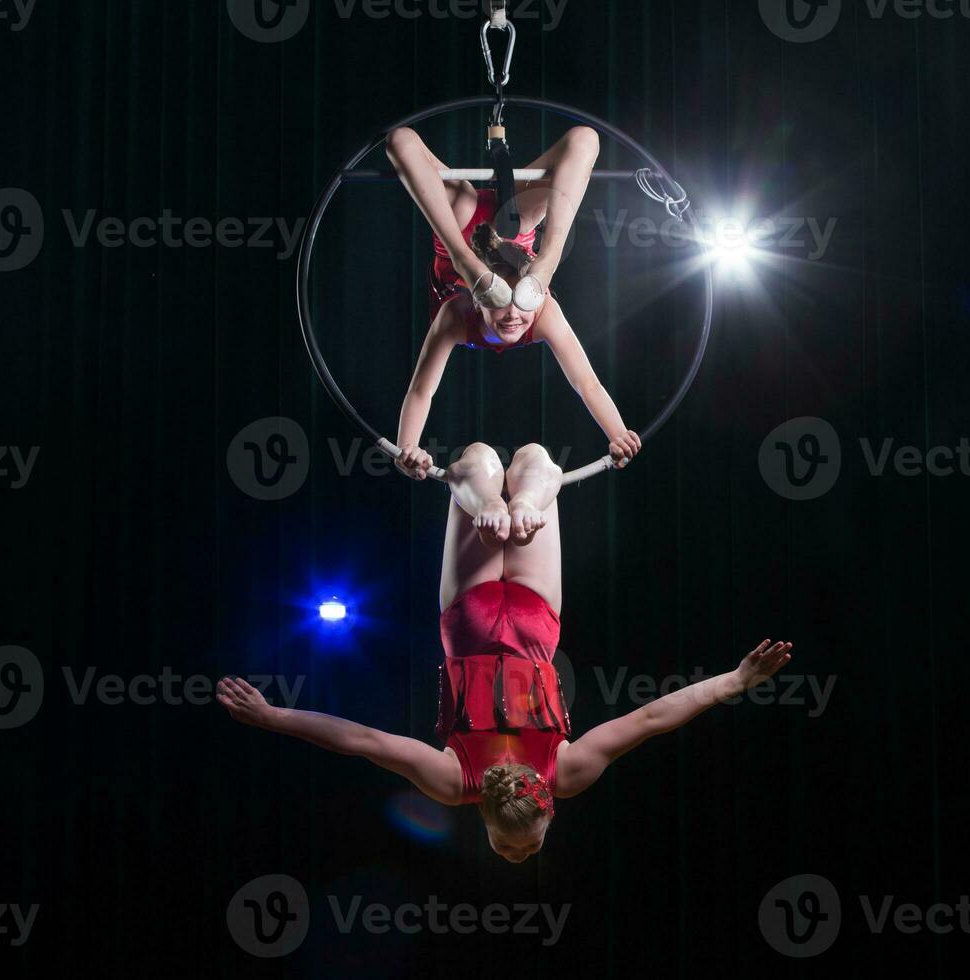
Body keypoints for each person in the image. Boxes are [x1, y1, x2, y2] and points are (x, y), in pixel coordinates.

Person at [217, 443, 794, 863]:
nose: (518, 848)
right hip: (485, 619)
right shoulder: (458, 782)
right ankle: (494, 499)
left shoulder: (555, 773)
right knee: (506, 464)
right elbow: (365, 742)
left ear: (546, 813)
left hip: (524, 616)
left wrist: (731, 684)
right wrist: (275, 718)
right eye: (525, 843)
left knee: (517, 464)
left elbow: (649, 719)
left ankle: (498, 500)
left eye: (512, 843)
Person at [383, 125, 642, 479]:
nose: (513, 315)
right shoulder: (488, 312)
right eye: (501, 303)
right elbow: (421, 390)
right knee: (583, 141)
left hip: (460, 228)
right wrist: (407, 447)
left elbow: (587, 383)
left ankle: (532, 262)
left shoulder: (469, 315)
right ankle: (493, 262)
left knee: (403, 142)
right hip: (513, 229)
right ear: (477, 303)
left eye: (520, 304)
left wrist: (618, 435)